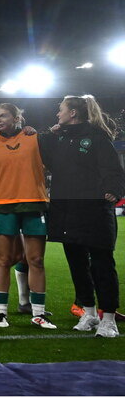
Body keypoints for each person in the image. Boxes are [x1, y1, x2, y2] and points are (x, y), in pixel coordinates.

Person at [40, 95, 125, 338]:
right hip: (66, 209)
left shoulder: (97, 138)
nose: (58, 114)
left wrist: (113, 190)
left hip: (94, 209)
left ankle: (108, 319)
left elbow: (112, 169)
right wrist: (51, 133)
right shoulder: (60, 139)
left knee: (102, 265)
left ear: (73, 113)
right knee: (77, 264)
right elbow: (45, 157)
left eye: (61, 110)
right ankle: (88, 313)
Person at [0, 104, 55, 329]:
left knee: (36, 260)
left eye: (3, 115)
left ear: (17, 117)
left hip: (33, 203)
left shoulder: (35, 138)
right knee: (5, 260)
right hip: (3, 205)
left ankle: (38, 314)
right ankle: (1, 315)